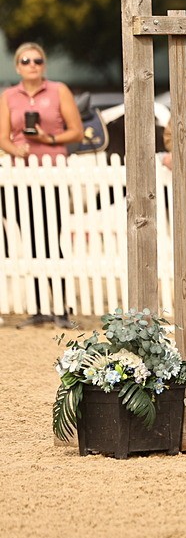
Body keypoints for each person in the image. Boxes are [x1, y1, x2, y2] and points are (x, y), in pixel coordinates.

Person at [0, 43, 84, 328]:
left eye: (37, 60)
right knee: (31, 240)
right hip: (21, 174)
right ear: (17, 66)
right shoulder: (8, 96)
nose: (32, 64)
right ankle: (38, 307)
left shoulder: (59, 90)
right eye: (26, 61)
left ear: (43, 65)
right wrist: (16, 150)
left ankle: (62, 307)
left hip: (52, 171)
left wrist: (48, 139)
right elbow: (2, 137)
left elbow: (77, 132)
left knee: (52, 238)